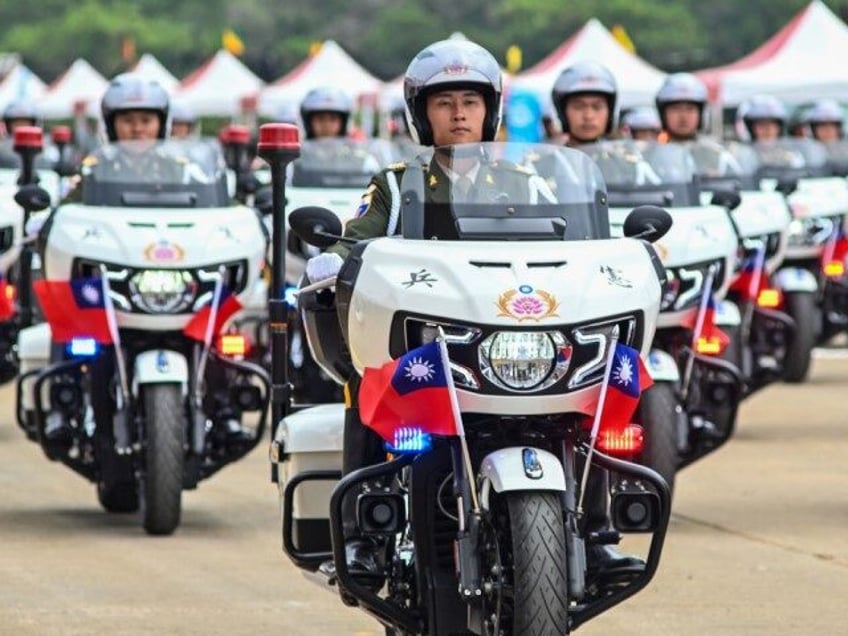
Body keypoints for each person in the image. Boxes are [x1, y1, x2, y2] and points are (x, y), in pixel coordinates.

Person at [306, 38, 630, 579]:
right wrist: (331, 258)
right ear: (421, 113)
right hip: (433, 349)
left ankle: (595, 533)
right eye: (443, 102)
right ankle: (364, 535)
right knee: (368, 380)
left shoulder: (527, 182)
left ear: (490, 110)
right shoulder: (394, 185)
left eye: (471, 101)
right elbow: (354, 240)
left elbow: (581, 247)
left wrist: (617, 263)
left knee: (590, 389)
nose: (458, 113)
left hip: (517, 336)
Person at [654, 72, 742, 177]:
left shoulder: (716, 154)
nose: (683, 116)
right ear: (663, 113)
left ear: (701, 113)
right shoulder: (651, 155)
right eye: (675, 109)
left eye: (690, 109)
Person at [551, 60, 618, 147]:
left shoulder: (626, 159)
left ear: (610, 112)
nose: (588, 116)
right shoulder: (552, 159)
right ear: (562, 112)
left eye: (597, 107)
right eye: (578, 107)